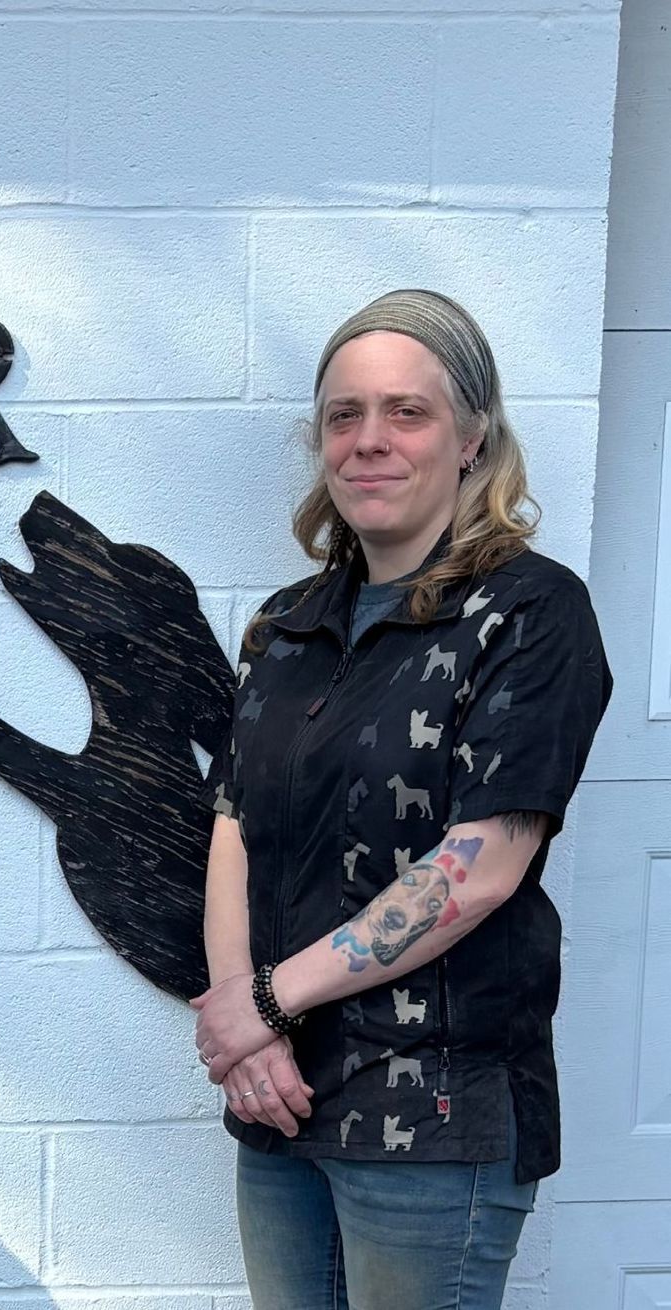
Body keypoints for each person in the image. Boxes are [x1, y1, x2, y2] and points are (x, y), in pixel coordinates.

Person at [189, 289, 611, 1309]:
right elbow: (234, 823)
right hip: (278, 1094)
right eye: (344, 415)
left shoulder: (529, 612)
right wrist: (245, 1023)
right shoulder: (285, 626)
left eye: (406, 412)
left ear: (472, 438)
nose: (368, 440)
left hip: (429, 1115)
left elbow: (480, 867)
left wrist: (260, 1002)